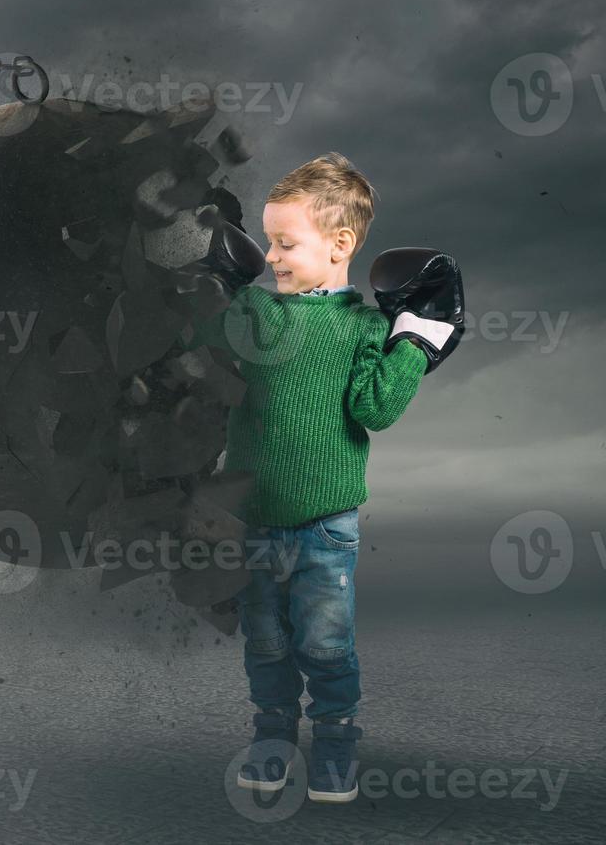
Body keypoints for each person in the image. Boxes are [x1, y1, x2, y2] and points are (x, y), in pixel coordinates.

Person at [180, 152, 449, 804]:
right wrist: (209, 272)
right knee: (266, 647)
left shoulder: (365, 327)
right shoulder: (260, 316)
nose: (271, 256)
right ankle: (273, 740)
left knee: (325, 646)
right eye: (267, 242)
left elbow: (375, 407)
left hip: (327, 529)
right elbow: (206, 327)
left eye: (284, 243)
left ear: (340, 245)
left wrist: (416, 338)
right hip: (253, 524)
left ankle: (335, 748)